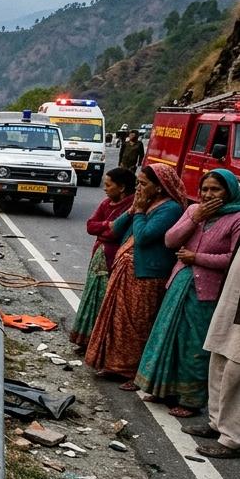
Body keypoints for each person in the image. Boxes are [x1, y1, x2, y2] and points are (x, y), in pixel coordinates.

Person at [134, 170, 240, 416]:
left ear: (230, 192)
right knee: (169, 337)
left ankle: (190, 400)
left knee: (194, 344)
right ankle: (164, 390)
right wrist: (196, 217)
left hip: (208, 292)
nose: (208, 194)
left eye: (215, 190)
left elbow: (233, 259)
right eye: (205, 189)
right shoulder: (194, 211)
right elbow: (170, 240)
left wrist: (197, 258)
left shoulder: (236, 218)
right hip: (180, 284)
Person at [84, 163, 187, 385]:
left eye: (143, 184)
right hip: (125, 271)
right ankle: (114, 365)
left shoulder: (170, 209)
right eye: (138, 183)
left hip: (148, 275)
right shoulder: (144, 204)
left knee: (138, 323)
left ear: (159, 187)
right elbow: (114, 229)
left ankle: (133, 371)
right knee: (118, 320)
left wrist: (138, 212)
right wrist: (132, 210)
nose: (138, 189)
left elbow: (144, 236)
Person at [71, 168, 137, 349]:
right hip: (99, 255)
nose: (105, 189)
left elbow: (115, 234)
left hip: (115, 259)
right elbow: (91, 226)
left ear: (122, 187)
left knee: (107, 301)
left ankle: (100, 342)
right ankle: (87, 340)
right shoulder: (106, 203)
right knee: (92, 296)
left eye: (108, 185)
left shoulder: (133, 208)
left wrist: (106, 230)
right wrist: (107, 225)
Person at [187, 242, 240, 458]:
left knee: (235, 369)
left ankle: (232, 438)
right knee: (218, 355)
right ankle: (217, 423)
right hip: (232, 297)